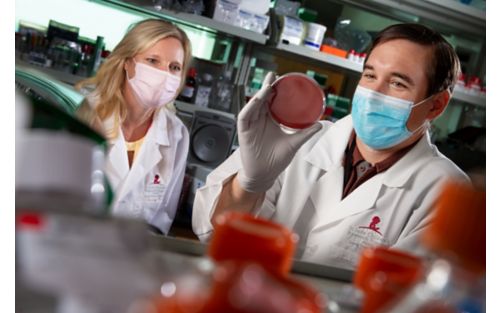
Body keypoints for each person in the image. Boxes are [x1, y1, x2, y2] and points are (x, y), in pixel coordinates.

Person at [192, 23, 469, 269]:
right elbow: (211, 232)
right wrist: (249, 184)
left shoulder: (448, 192)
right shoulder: (297, 139)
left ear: (436, 104)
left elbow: (401, 296)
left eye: (397, 83)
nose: (373, 92)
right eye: (370, 76)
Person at [76, 19, 192, 235]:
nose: (164, 74)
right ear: (127, 62)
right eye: (153, 61)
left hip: (130, 259)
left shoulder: (177, 134)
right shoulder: (87, 113)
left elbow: (161, 222)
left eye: (174, 67)